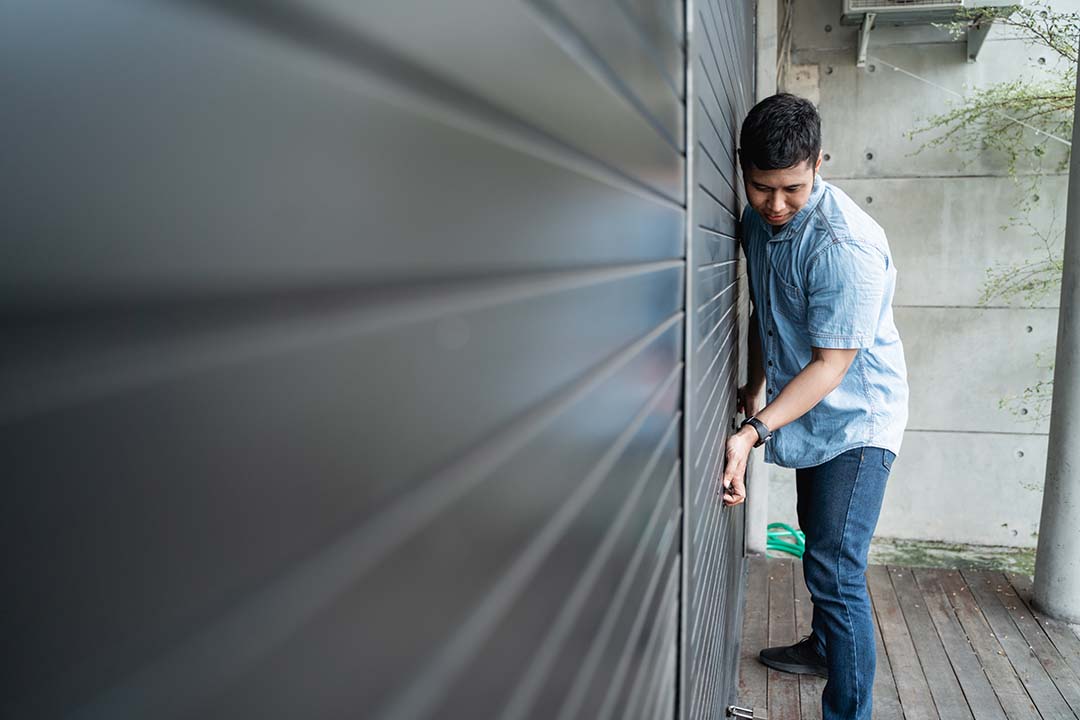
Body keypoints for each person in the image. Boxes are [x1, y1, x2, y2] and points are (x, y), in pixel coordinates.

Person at [718, 93, 909, 720]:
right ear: (744, 168)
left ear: (819, 163)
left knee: (835, 568)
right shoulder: (758, 219)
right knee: (818, 546)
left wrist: (752, 428)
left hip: (858, 417)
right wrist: (755, 382)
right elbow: (762, 310)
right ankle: (826, 647)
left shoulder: (844, 245)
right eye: (761, 187)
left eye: (793, 189)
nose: (775, 205)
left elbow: (833, 365)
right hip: (807, 409)